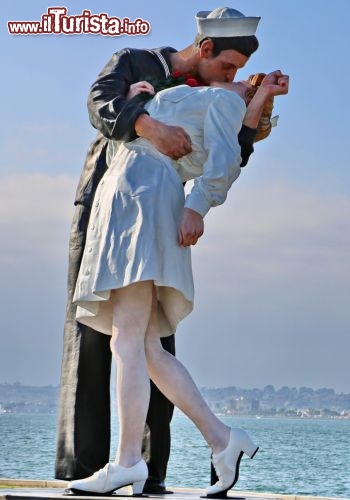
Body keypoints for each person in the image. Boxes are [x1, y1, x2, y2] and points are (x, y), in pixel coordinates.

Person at [56, 6, 265, 492]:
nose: (236, 80)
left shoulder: (218, 99)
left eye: (241, 78)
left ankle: (130, 461)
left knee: (128, 338)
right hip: (126, 197)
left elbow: (229, 158)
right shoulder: (146, 68)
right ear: (205, 50)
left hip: (144, 196)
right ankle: (221, 438)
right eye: (229, 70)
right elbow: (101, 104)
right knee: (142, 343)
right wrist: (143, 114)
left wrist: (198, 206)